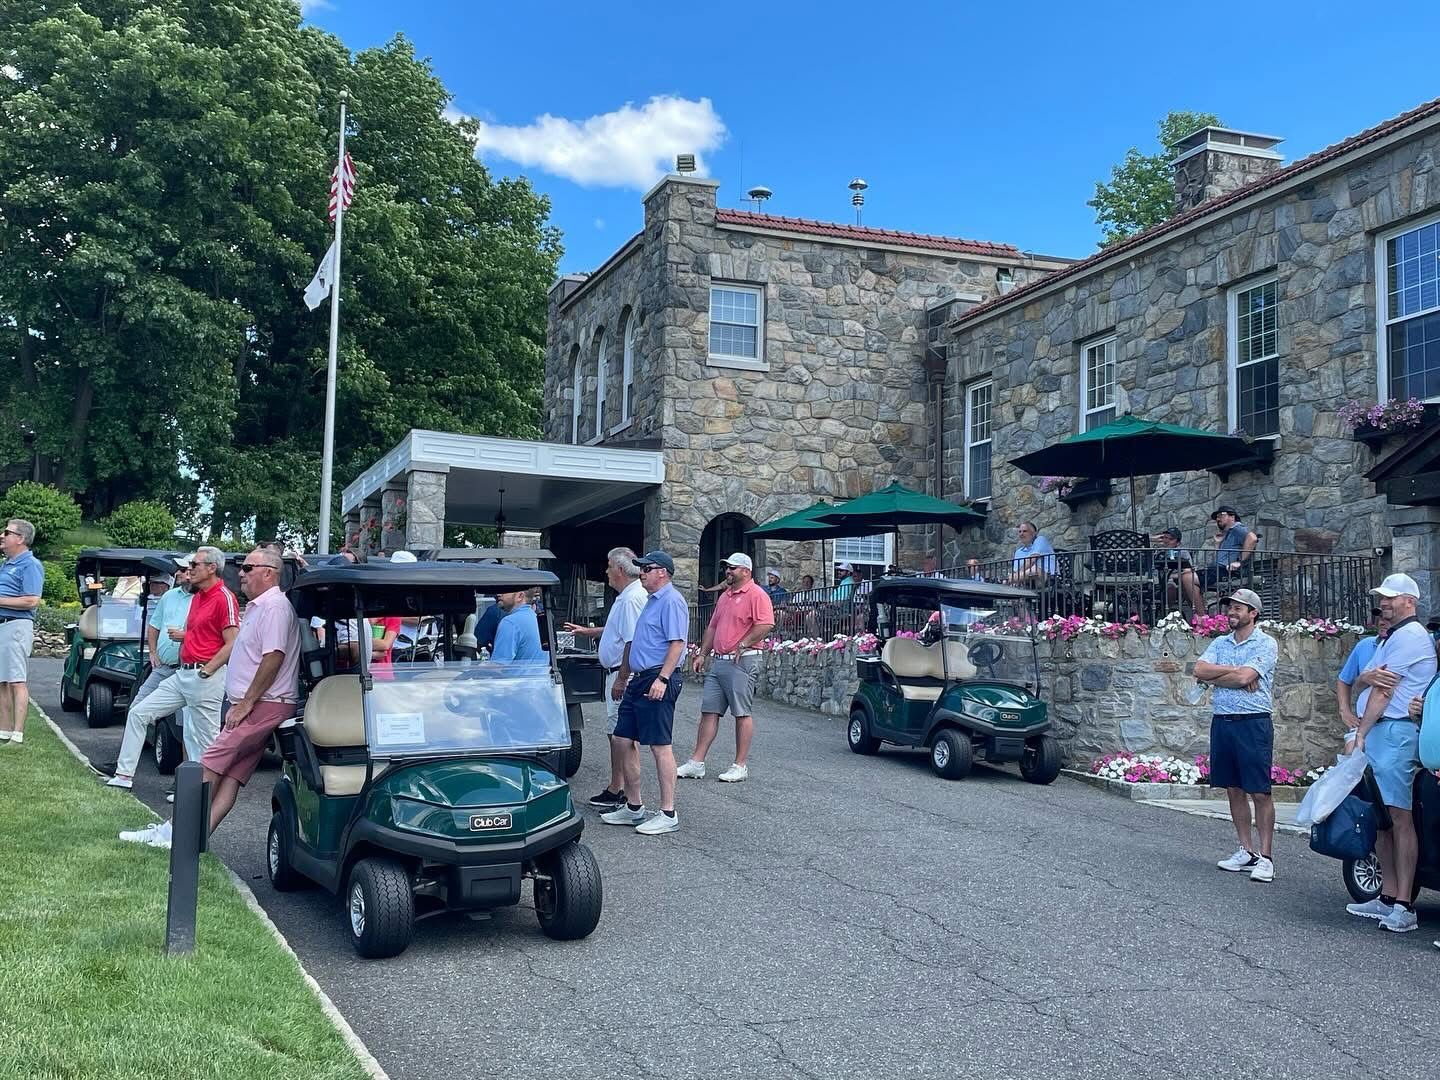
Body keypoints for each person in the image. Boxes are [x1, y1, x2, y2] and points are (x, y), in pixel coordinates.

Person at [121, 548, 302, 849]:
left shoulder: (274, 608)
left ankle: (171, 834)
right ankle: (194, 840)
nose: (241, 574)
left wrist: (245, 703)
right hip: (257, 703)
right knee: (230, 777)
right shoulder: (260, 606)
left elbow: (273, 658)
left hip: (261, 704)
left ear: (269, 573)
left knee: (207, 765)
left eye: (248, 568)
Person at [1347, 573, 1438, 933]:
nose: (1383, 602)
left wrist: (1361, 732)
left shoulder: (1410, 637)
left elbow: (1383, 691)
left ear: (1410, 602)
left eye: (1390, 597)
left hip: (1394, 733)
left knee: (1400, 819)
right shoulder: (1394, 636)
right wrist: (1366, 680)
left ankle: (1404, 905)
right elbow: (1364, 679)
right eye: (1381, 597)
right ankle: (1387, 897)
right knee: (1383, 819)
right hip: (1385, 733)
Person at [105, 547, 239, 791]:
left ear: (212, 568)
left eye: (195, 565)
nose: (189, 570)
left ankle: (204, 795)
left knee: (204, 740)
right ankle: (123, 776)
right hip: (182, 674)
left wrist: (207, 670)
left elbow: (233, 642)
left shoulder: (224, 597)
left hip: (204, 678)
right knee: (139, 712)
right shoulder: (198, 597)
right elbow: (196, 634)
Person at [1193, 588, 1279, 883]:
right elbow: (1199, 669)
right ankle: (1246, 850)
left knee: (1259, 791)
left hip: (1253, 723)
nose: (1231, 611)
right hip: (1223, 722)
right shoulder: (1220, 642)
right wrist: (1232, 671)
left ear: (1253, 613)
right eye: (1229, 607)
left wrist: (1227, 677)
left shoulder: (1266, 643)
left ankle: (1266, 857)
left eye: (1238, 608)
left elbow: (1246, 678)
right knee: (1233, 788)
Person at [601, 551, 688, 835]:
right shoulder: (651, 601)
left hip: (657, 677)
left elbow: (677, 644)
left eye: (646, 569)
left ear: (662, 571)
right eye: (641, 569)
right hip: (640, 679)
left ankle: (668, 812)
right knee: (622, 738)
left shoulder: (671, 601)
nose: (642, 574)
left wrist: (662, 678)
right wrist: (625, 677)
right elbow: (636, 642)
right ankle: (634, 806)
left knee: (660, 745)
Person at [677, 553, 775, 784]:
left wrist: (743, 643)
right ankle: (697, 762)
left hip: (743, 660)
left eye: (732, 568)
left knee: (741, 712)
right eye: (726, 568)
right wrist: (702, 653)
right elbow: (712, 627)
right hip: (720, 660)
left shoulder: (757, 594)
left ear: (746, 571)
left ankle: (740, 765)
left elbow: (766, 624)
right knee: (709, 711)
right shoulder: (725, 596)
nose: (727, 571)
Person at [564, 547, 648, 809]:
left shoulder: (632, 598)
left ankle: (622, 793)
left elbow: (632, 641)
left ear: (620, 570)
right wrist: (591, 632)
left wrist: (622, 678)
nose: (606, 572)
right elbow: (618, 630)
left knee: (622, 735)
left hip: (623, 675)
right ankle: (617, 787)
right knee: (615, 733)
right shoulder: (628, 596)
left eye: (609, 566)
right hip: (618, 673)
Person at [0, 519, 44, 748]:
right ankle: (4, 731)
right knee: (2, 681)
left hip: (16, 625)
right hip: (3, 625)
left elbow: (31, 600)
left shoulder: (30, 565)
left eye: (7, 532)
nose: (2, 535)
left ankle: (17, 735)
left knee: (16, 680)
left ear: (21, 539)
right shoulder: (7, 564)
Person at [1336, 608, 1390, 738]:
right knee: (1351, 754)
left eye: (1387, 619)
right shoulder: (1365, 645)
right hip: (1364, 724)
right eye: (1380, 618)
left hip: (1394, 723)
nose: (1382, 622)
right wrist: (1345, 711)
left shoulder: (1409, 645)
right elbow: (1343, 680)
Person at [1195, 505, 1257, 598]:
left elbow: (1252, 538)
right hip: (1219, 570)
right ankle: (1200, 610)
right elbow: (1221, 559)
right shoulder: (1229, 533)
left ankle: (1200, 612)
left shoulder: (1237, 528)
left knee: (1189, 578)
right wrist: (1218, 544)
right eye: (1217, 517)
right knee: (1188, 578)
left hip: (1227, 572)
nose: (1217, 519)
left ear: (1232, 517)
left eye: (1221, 515)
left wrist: (1239, 562)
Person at [1152, 526, 1201, 613]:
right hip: (1156, 582)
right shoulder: (1157, 552)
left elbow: (1190, 570)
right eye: (1165, 538)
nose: (1166, 541)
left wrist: (1172, 576)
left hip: (1175, 582)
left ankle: (1165, 613)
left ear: (1178, 543)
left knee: (1171, 587)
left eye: (1170, 539)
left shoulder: (1182, 552)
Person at [489, 588, 544, 663]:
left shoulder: (510, 622)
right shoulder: (536, 619)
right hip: (541, 674)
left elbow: (498, 666)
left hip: (517, 675)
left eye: (505, 591)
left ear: (520, 596)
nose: (499, 594)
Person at [1007, 522, 1055, 586]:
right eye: (1020, 532)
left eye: (1025, 531)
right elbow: (1016, 571)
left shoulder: (1040, 540)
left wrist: (1016, 575)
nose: (1021, 534)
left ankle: (1006, 581)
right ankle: (1006, 582)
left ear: (1033, 533)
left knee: (1033, 569)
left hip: (1048, 578)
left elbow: (1032, 560)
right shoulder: (1018, 552)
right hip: (1027, 582)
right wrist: (1016, 575)